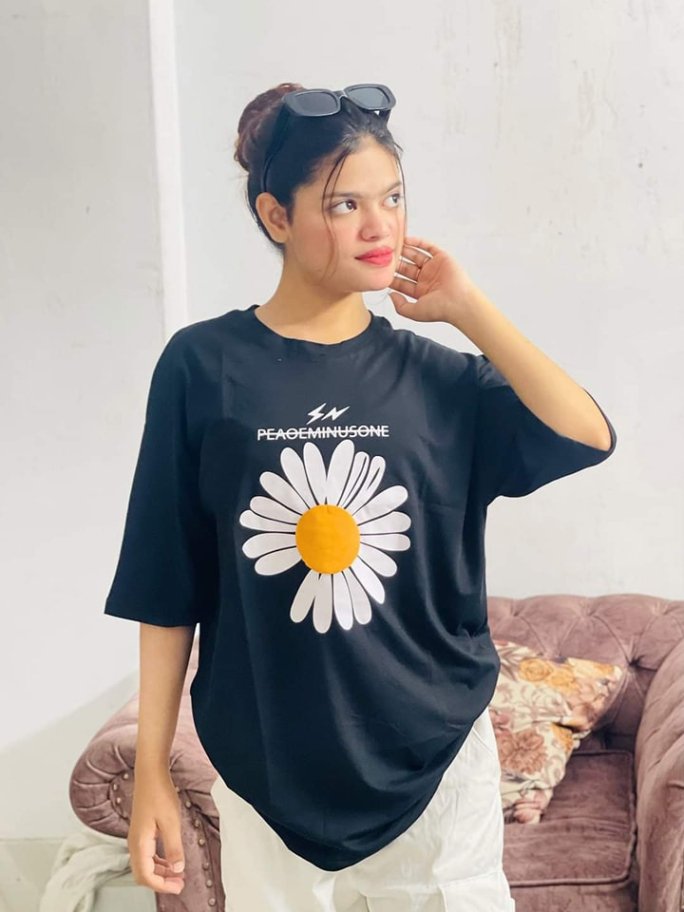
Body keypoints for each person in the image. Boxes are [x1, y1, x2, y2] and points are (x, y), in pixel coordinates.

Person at [103, 82, 617, 911]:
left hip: (436, 760)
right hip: (267, 763)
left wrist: (469, 309)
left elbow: (586, 433)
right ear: (276, 216)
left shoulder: (438, 378)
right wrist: (152, 772)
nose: (381, 227)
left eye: (394, 198)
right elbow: (166, 583)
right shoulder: (203, 367)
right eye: (346, 204)